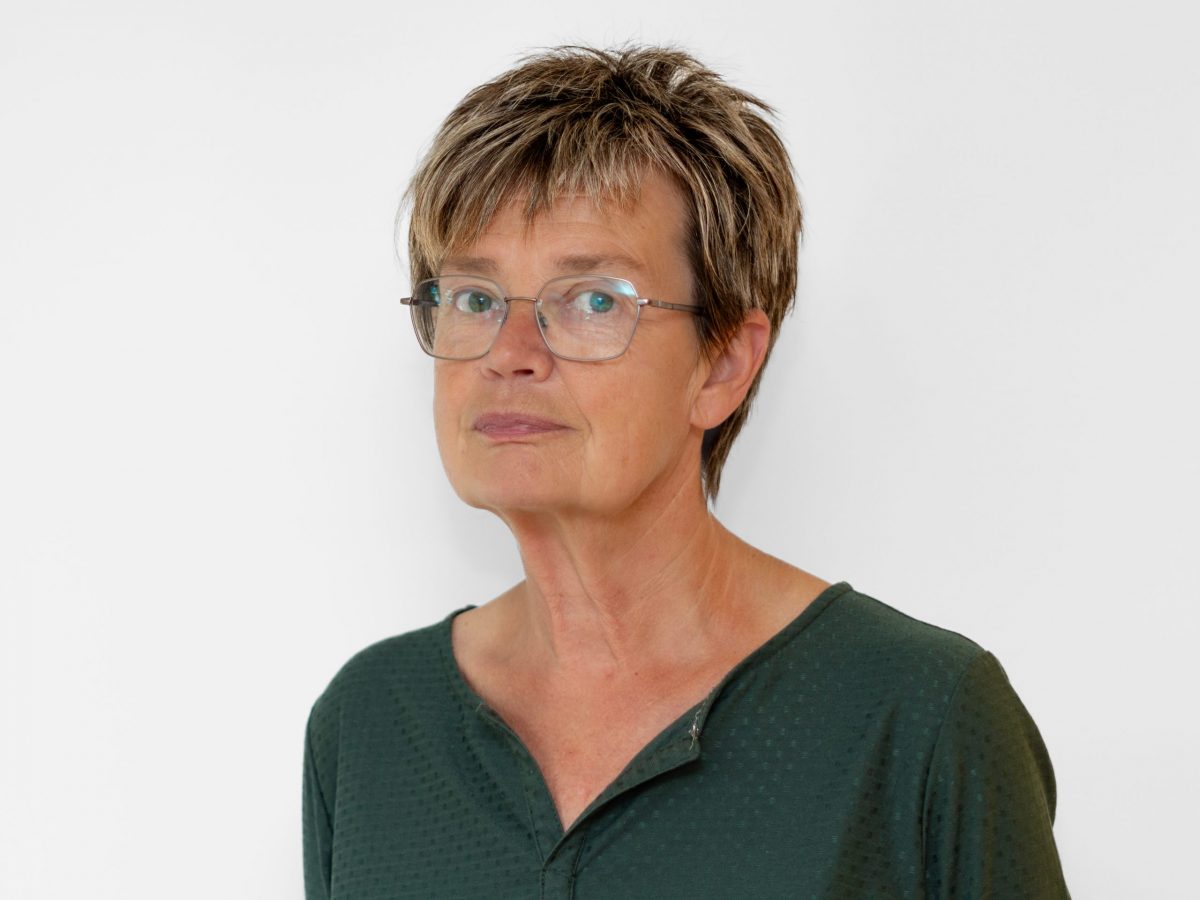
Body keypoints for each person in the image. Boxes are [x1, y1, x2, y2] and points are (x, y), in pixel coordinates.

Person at [302, 45, 1070, 899]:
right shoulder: (369, 727)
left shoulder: (918, 718)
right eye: (474, 299)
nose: (509, 354)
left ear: (723, 365)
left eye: (593, 300)